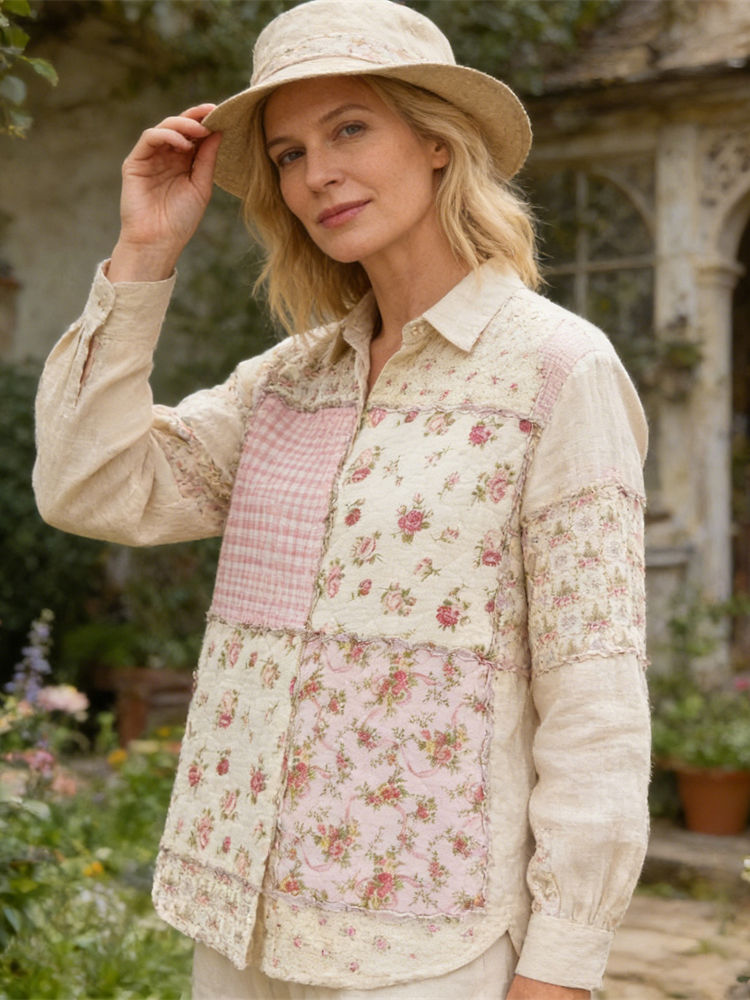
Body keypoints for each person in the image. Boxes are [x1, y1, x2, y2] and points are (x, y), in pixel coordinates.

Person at [33, 2, 651, 998]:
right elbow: (87, 485)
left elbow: (595, 689)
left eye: (350, 128)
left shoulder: (556, 371)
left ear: (437, 142)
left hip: (424, 946)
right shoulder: (287, 382)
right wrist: (143, 251)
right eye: (289, 154)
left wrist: (562, 964)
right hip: (242, 930)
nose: (317, 172)